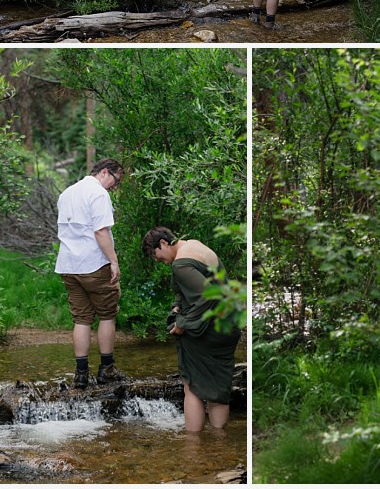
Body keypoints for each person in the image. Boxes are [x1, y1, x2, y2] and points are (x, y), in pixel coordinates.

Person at [141, 226, 241, 432]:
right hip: (229, 324)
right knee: (219, 388)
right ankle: (219, 443)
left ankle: (193, 446)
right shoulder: (194, 245)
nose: (158, 261)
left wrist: (182, 324)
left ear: (163, 243)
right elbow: (202, 284)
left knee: (192, 387)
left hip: (209, 330)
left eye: (157, 256)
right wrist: (177, 305)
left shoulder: (180, 264)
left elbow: (208, 296)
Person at [54, 158, 126, 389]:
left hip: (68, 265)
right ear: (105, 172)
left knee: (81, 318)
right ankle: (106, 369)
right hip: (94, 264)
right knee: (107, 314)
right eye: (116, 181)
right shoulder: (98, 194)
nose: (115, 187)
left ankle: (81, 374)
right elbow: (101, 231)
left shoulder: (67, 193)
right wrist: (113, 261)